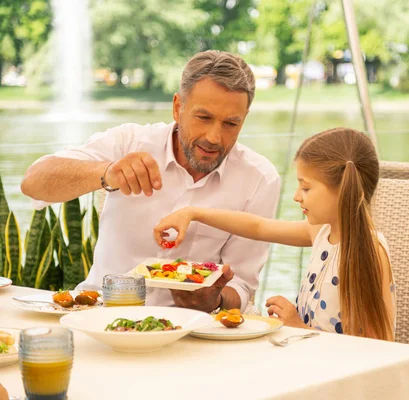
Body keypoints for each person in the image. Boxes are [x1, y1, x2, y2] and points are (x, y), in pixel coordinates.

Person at [20, 50, 281, 313]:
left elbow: (242, 285)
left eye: (230, 124)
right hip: (101, 313)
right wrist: (107, 172)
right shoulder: (128, 142)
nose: (214, 137)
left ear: (244, 118)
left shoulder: (260, 179)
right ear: (178, 107)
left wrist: (216, 300)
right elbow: (33, 182)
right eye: (204, 118)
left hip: (193, 329)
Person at [154, 128, 396, 341]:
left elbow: (376, 347)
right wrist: (194, 213)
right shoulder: (322, 233)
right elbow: (258, 227)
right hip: (313, 359)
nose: (297, 196)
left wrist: (297, 326)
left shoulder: (367, 253)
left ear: (343, 190)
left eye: (306, 187)